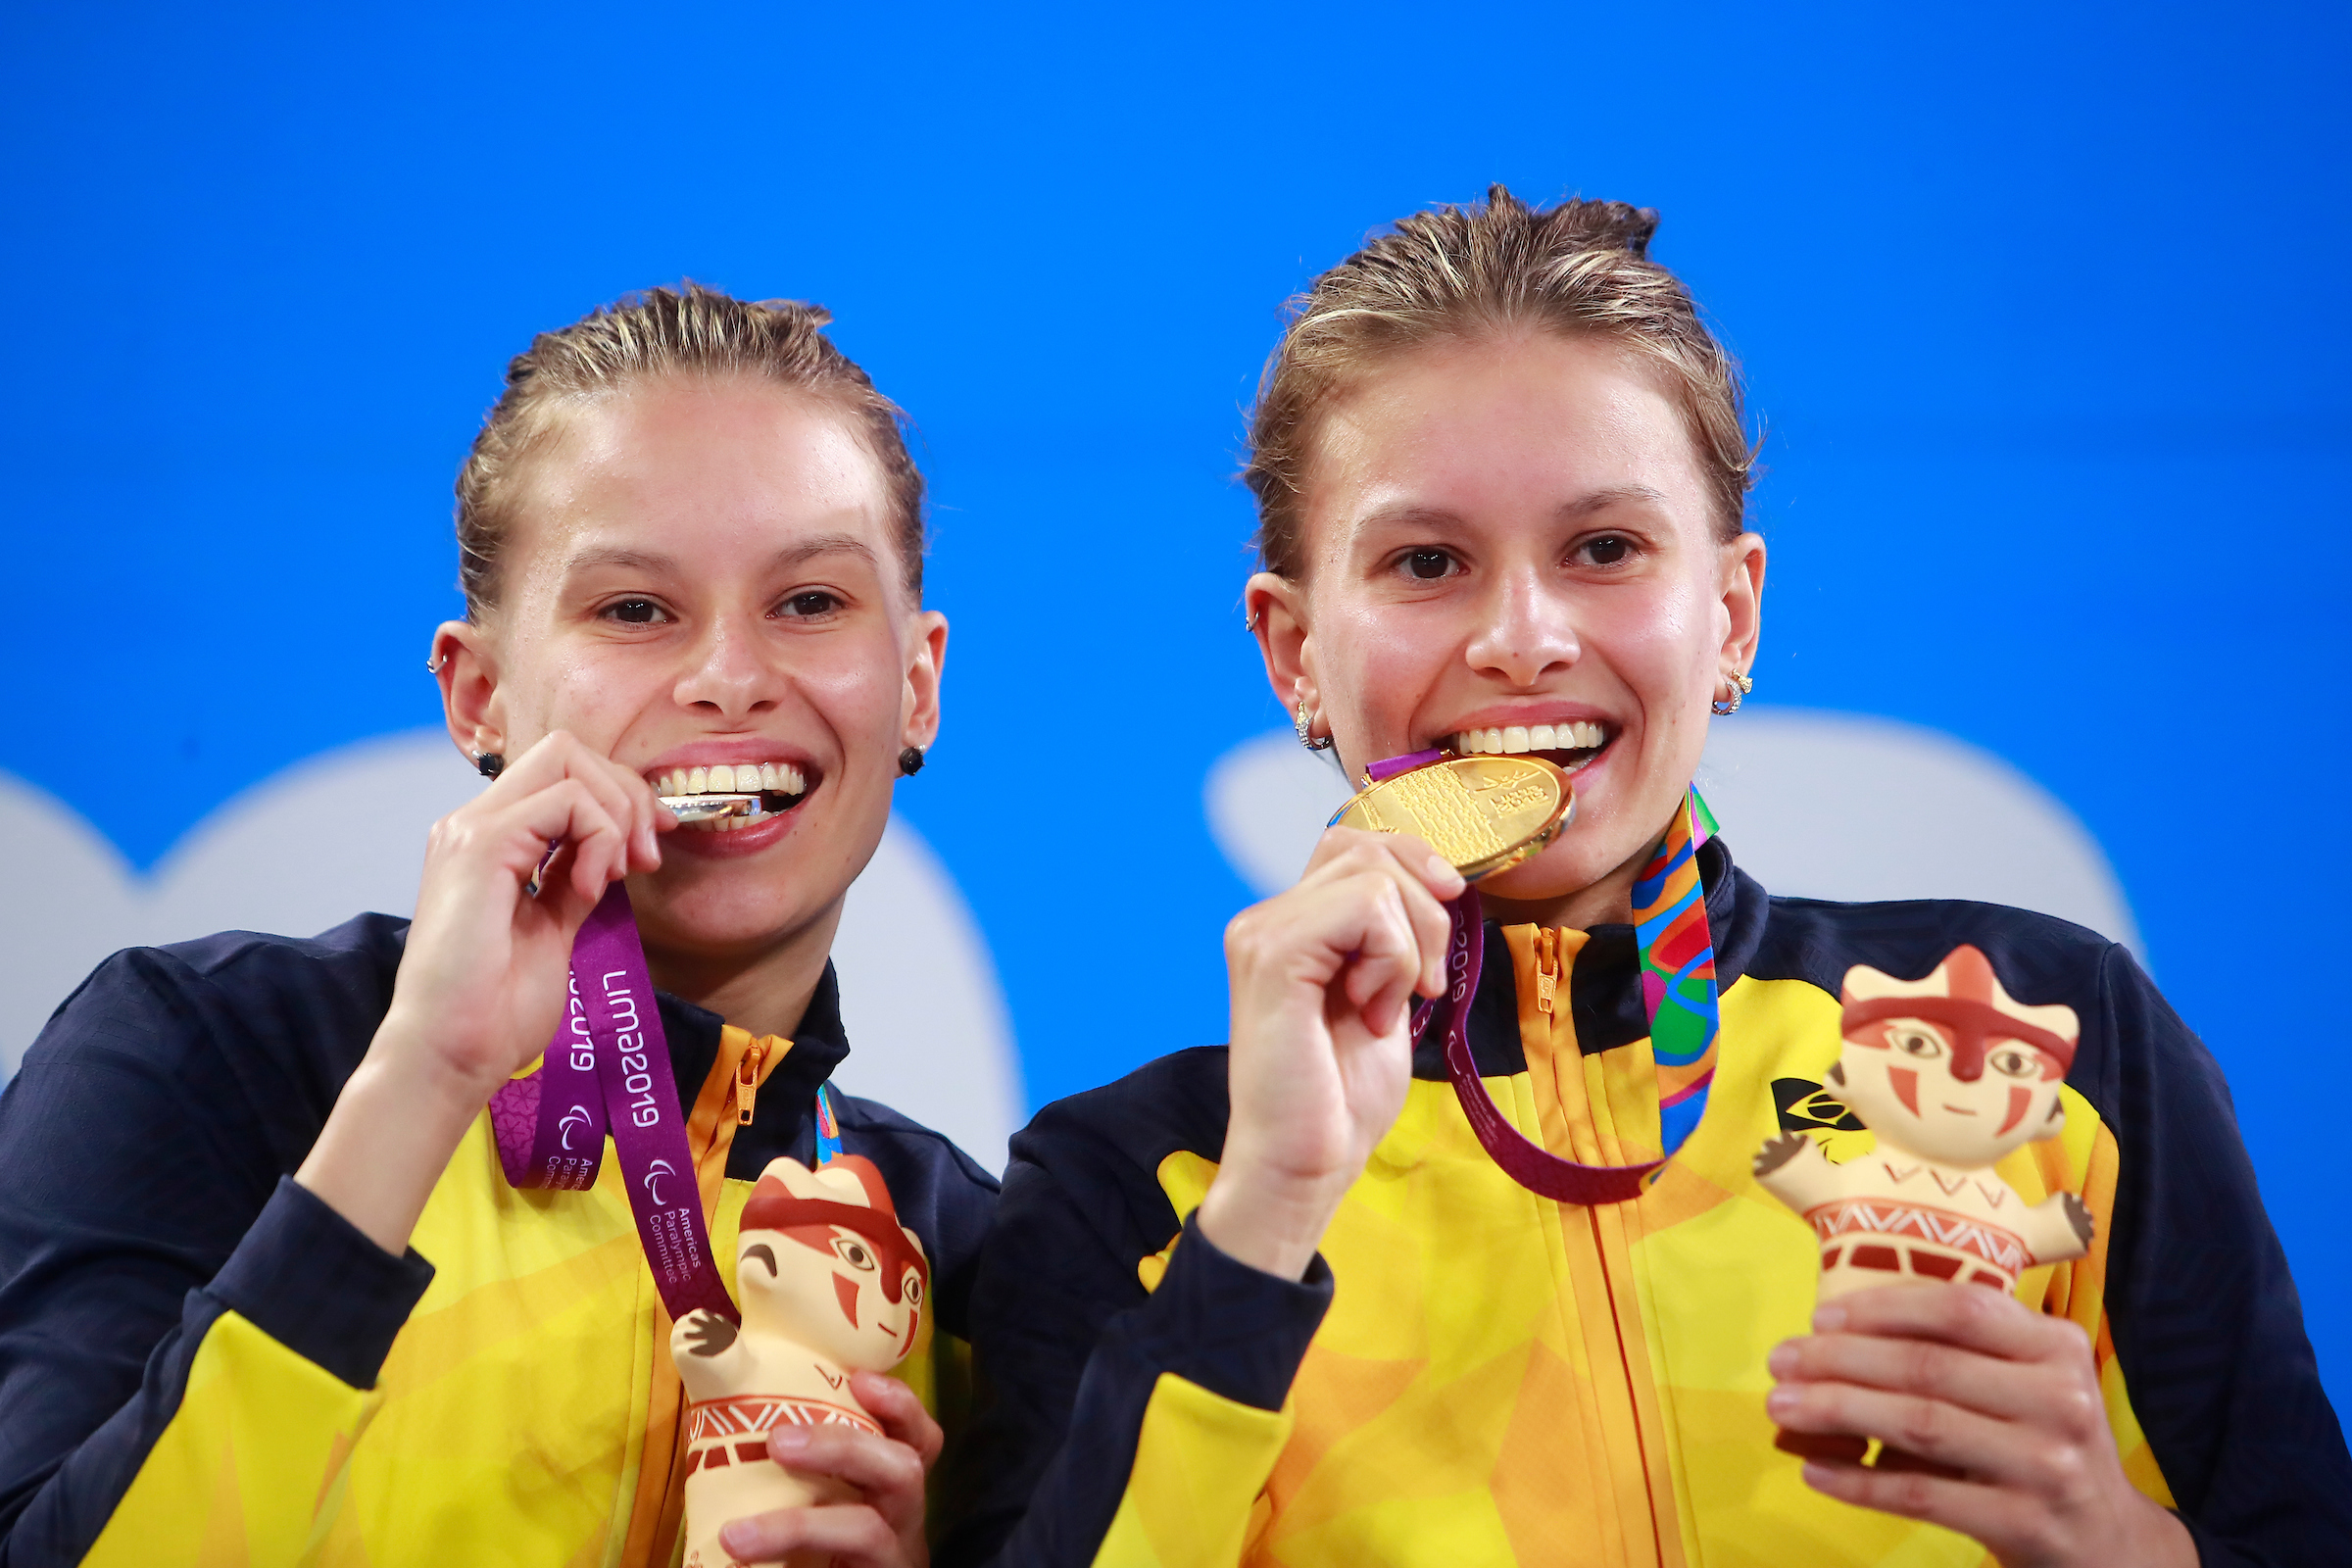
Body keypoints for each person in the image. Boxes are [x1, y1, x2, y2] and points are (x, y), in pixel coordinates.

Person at [946, 191, 2352, 1567]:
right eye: (1427, 562)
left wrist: (2113, 1546)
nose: (1522, 638)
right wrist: (1265, 1216)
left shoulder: (2049, 1042)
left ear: (1731, 613)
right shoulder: (1138, 1179)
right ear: (1295, 651)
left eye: (1604, 549)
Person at [0, 285, 996, 1566]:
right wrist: (419, 1089)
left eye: (810, 602)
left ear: (915, 688)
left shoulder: (962, 1255)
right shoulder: (210, 1059)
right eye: (634, 609)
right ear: (480, 697)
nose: (732, 677)